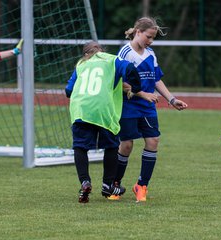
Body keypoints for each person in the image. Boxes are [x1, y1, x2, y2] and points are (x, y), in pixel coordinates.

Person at [65, 41, 157, 203]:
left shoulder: (81, 64)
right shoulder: (111, 59)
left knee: (80, 147)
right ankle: (108, 185)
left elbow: (68, 91)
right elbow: (130, 69)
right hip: (103, 110)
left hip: (81, 109)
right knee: (111, 146)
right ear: (100, 50)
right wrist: (136, 88)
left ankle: (85, 182)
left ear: (85, 54)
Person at [110, 17, 188, 202]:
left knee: (153, 141)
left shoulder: (151, 53)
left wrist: (172, 99)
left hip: (147, 107)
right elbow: (118, 83)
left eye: (153, 38)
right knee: (127, 145)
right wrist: (142, 93)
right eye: (148, 36)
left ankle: (141, 186)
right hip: (128, 105)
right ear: (138, 32)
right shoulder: (125, 53)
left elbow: (156, 79)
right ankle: (115, 186)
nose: (150, 41)